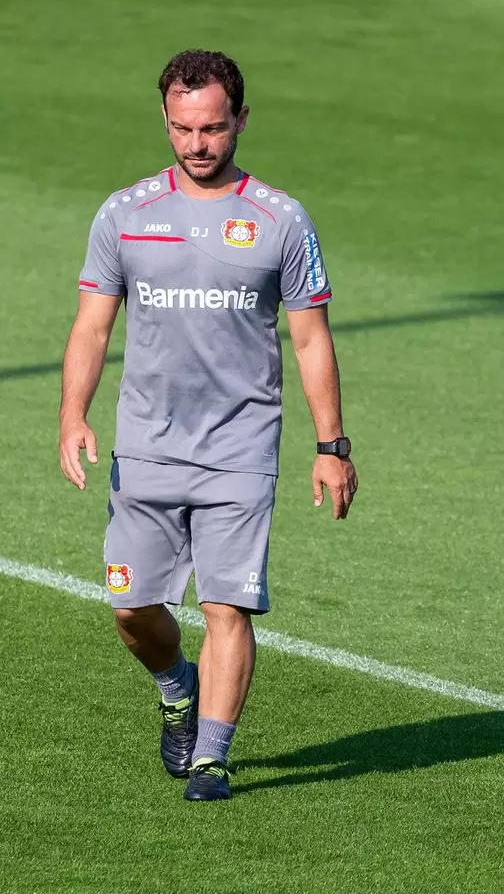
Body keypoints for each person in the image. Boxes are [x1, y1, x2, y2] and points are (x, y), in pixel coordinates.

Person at [59, 49, 358, 801]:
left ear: (242, 121)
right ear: (165, 120)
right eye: (184, 129)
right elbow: (92, 328)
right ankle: (174, 687)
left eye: (215, 129)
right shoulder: (125, 214)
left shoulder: (281, 221)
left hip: (240, 448)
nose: (199, 144)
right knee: (132, 607)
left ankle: (212, 759)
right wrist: (73, 415)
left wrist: (331, 446)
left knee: (227, 603)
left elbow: (311, 337)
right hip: (148, 446)